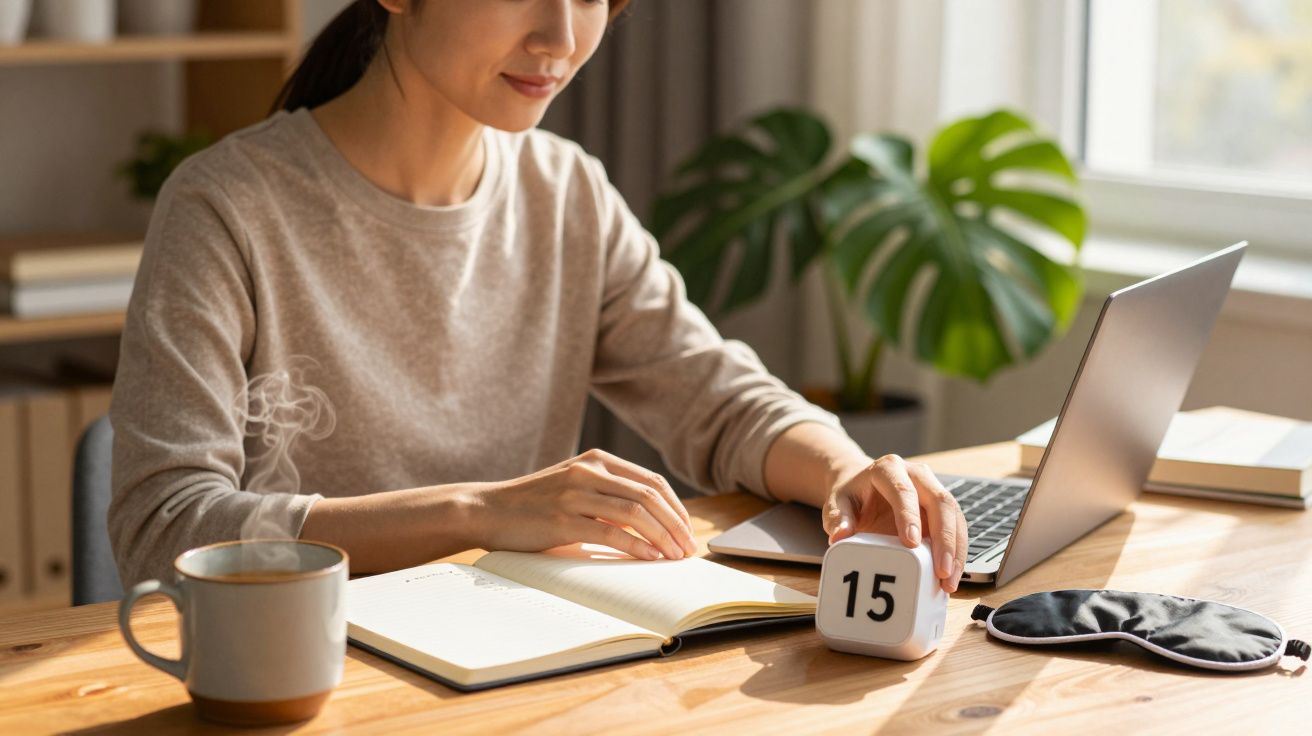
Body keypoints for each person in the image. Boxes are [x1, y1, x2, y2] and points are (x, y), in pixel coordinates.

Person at [108, 0, 967, 593]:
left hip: (515, 662)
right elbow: (167, 529)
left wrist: (847, 472)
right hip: (310, 677)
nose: (561, 36)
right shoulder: (227, 206)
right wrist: (480, 511)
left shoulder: (567, 194)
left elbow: (717, 397)